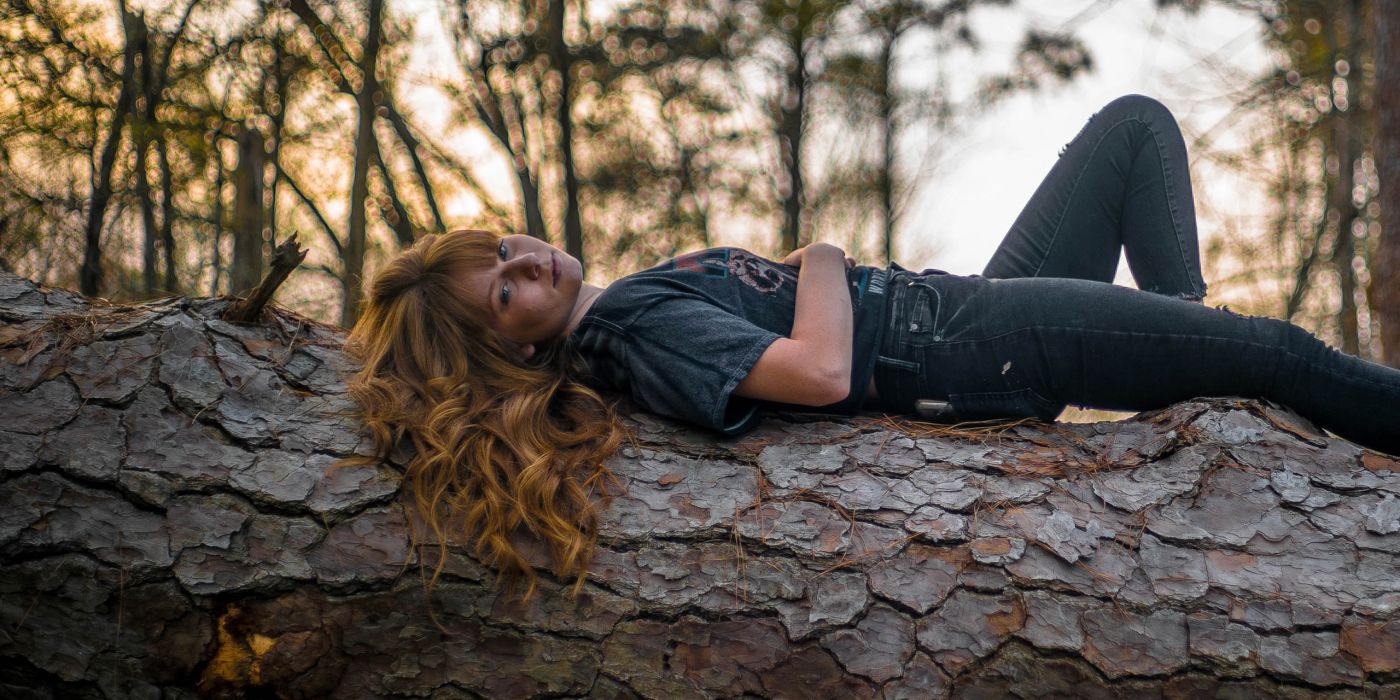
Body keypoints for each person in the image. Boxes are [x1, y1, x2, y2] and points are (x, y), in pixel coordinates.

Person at [347, 94, 1400, 597]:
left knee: (1131, 130)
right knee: (1275, 352)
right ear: (507, 349)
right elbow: (819, 371)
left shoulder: (618, 310)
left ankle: (1193, 352)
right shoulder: (628, 327)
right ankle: (1214, 359)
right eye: (505, 292)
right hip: (965, 349)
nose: (529, 262)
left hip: (961, 309)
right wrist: (821, 255)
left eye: (504, 249)